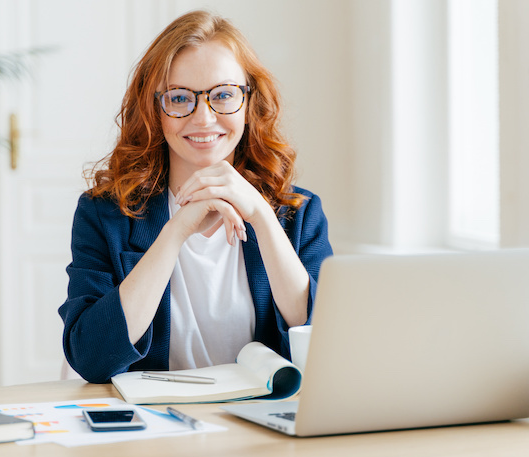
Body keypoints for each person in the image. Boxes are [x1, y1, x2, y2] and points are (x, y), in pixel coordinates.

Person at [59, 10, 333, 384]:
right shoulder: (103, 213)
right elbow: (92, 358)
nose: (203, 118)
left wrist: (263, 219)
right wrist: (175, 233)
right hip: (154, 431)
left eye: (223, 95)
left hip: (262, 427)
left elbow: (328, 346)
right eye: (179, 98)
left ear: (249, 103)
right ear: (154, 109)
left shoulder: (299, 213)